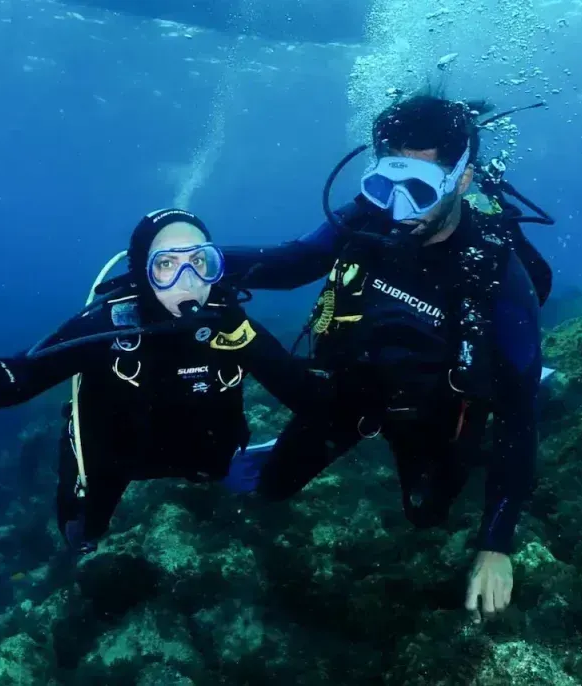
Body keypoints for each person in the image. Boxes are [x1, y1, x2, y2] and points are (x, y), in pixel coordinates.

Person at [221, 92, 552, 621]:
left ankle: (537, 372)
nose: (396, 210)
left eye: (418, 190)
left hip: (435, 414)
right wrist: (193, 262)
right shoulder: (366, 218)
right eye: (384, 185)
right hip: (348, 393)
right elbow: (290, 264)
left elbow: (518, 420)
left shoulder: (495, 273)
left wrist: (496, 544)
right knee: (270, 487)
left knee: (428, 517)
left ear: (462, 181)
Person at [0, 209, 336, 553]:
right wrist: (1, 380)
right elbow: (32, 370)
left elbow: (306, 398)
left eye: (199, 261)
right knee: (82, 533)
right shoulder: (108, 325)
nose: (189, 281)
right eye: (167, 264)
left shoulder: (232, 326)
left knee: (240, 478)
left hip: (202, 454)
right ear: (143, 272)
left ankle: (226, 467)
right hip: (118, 456)